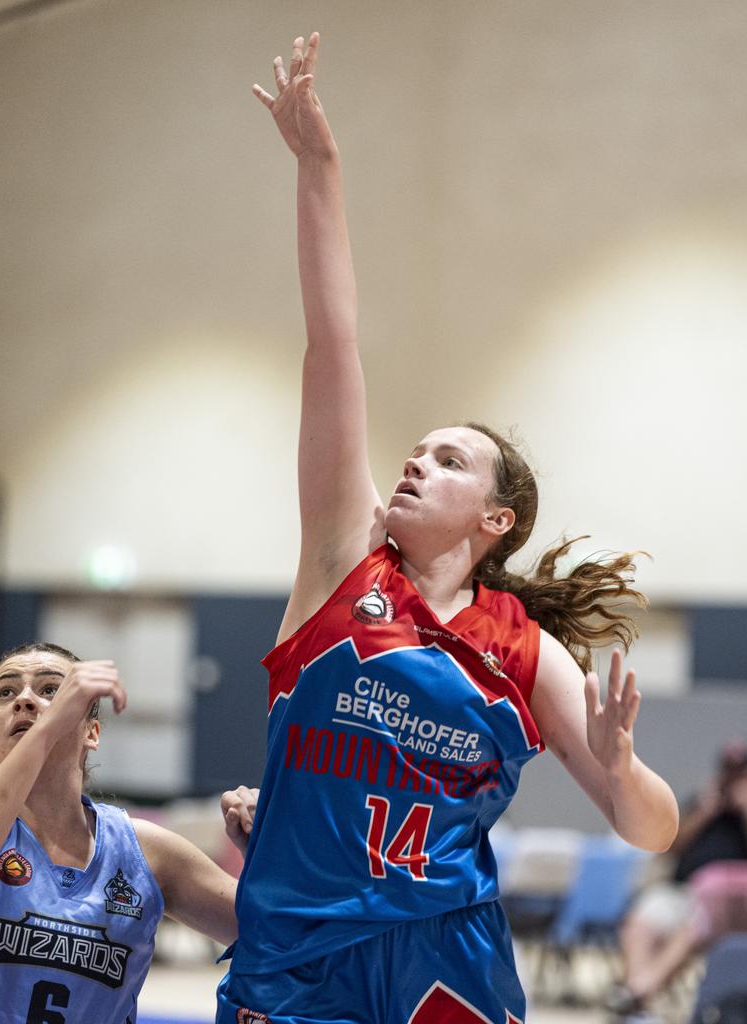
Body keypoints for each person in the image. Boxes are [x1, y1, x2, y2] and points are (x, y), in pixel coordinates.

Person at [216, 33, 679, 1024]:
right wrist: (319, 168)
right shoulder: (344, 557)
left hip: (446, 954)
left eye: (449, 458)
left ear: (496, 518)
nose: (416, 462)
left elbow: (650, 831)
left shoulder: (525, 650)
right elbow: (332, 348)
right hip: (298, 957)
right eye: (413, 451)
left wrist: (624, 763)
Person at [0, 640, 258, 1024]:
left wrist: (261, 857)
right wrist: (47, 727)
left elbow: (275, 938)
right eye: (6, 691)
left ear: (92, 733)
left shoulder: (147, 851)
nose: (24, 700)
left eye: (51, 691)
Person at [607, 741, 747, 1022]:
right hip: (682, 890)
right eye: (729, 770)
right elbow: (668, 846)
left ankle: (639, 992)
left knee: (692, 925)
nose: (733, 777)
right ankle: (638, 997)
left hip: (727, 900)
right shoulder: (704, 803)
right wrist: (707, 811)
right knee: (641, 919)